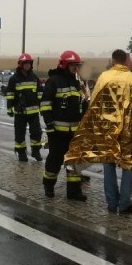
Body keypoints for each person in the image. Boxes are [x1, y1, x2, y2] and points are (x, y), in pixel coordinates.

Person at [65, 49, 132, 214]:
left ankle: (112, 204)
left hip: (107, 130)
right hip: (129, 131)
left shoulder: (104, 78)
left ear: (113, 61)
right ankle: (125, 204)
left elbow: (94, 105)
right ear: (126, 61)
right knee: (128, 165)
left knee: (109, 165)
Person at [40, 50, 87, 201]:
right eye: (73, 65)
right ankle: (48, 185)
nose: (76, 68)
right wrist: (49, 125)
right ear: (65, 65)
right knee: (55, 160)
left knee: (74, 162)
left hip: (74, 132)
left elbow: (83, 104)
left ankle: (73, 192)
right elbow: (46, 104)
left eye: (77, 66)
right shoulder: (53, 81)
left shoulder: (77, 82)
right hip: (57, 132)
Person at [6, 53, 44, 162]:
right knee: (19, 134)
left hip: (33, 112)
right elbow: (10, 95)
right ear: (20, 64)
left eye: (29, 63)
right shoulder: (14, 79)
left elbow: (40, 92)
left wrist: (41, 105)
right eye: (25, 63)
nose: (28, 65)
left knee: (37, 133)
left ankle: (36, 151)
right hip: (20, 112)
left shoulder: (34, 77)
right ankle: (21, 153)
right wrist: (9, 108)